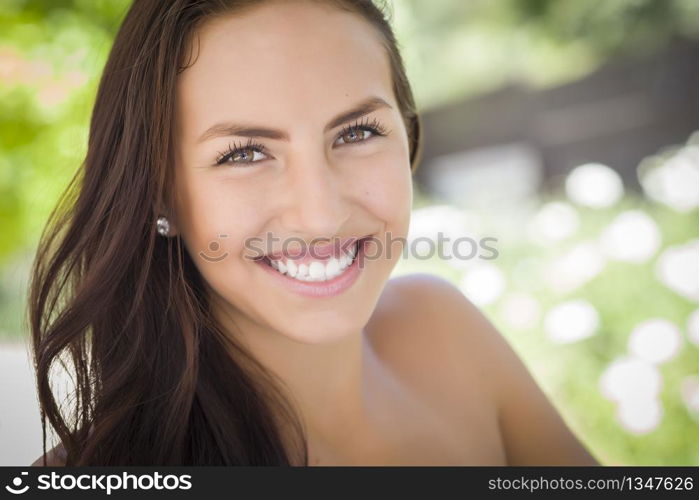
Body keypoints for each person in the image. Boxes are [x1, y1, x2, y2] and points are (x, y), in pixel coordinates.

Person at [29, 0, 598, 466]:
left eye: (355, 133)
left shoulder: (443, 329)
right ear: (159, 193)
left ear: (408, 133)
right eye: (245, 153)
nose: (320, 216)